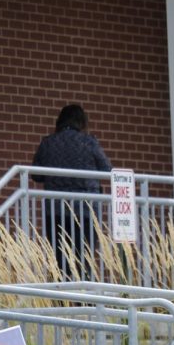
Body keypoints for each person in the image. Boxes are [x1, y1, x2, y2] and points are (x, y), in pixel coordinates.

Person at [31, 104, 112, 275]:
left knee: (59, 262)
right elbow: (106, 170)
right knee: (84, 260)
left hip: (55, 212)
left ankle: (62, 300)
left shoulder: (48, 142)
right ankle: (84, 299)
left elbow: (36, 175)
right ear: (81, 121)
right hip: (86, 210)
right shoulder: (89, 142)